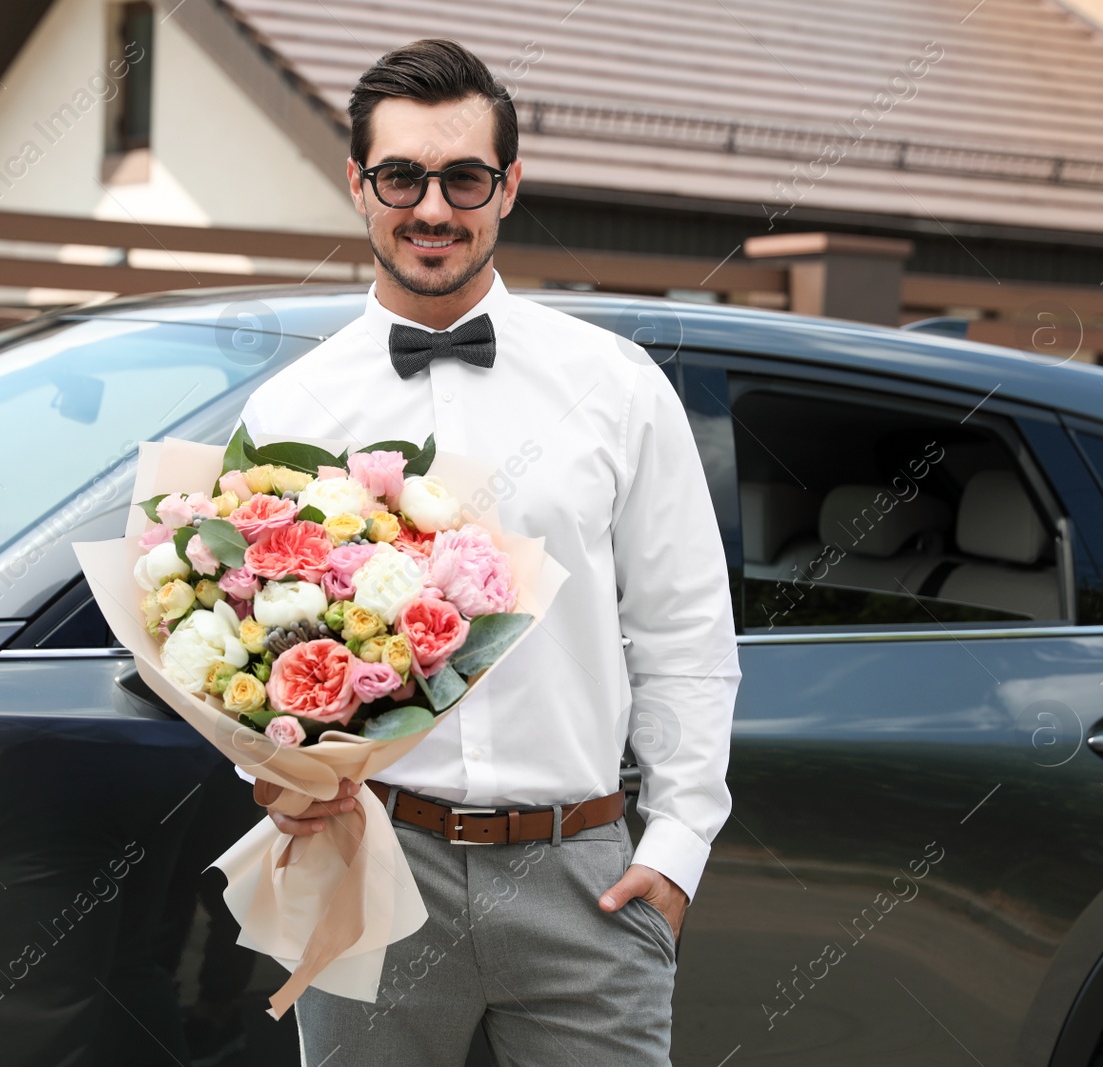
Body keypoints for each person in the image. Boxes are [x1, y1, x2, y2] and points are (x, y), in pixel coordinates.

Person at [235, 37, 740, 1067]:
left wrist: (677, 847)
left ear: (507, 186)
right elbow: (254, 648)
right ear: (357, 183)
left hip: (585, 876)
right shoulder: (291, 408)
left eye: (463, 176)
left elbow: (683, 628)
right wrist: (282, 773)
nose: (431, 207)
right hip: (371, 863)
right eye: (401, 176)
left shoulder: (616, 382)